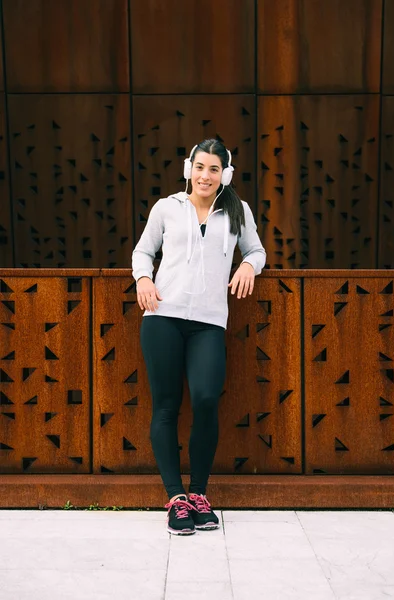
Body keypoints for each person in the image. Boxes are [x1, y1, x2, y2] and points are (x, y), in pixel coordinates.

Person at [131, 138, 266, 535]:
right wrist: (142, 278)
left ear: (225, 174)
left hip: (209, 322)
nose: (205, 176)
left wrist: (248, 266)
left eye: (213, 169)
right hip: (163, 317)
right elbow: (143, 251)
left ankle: (200, 494)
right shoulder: (167, 208)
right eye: (199, 167)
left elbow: (256, 251)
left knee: (206, 399)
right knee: (167, 406)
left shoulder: (237, 211)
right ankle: (176, 500)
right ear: (188, 167)